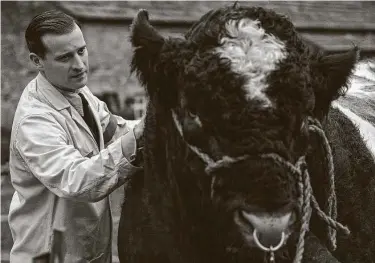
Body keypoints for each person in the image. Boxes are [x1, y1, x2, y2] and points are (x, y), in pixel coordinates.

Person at [8, 10, 144, 262]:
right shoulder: (35, 120)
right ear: (37, 61)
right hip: (51, 254)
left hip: (87, 249)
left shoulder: (77, 91)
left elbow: (115, 129)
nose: (80, 65)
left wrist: (162, 124)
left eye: (81, 51)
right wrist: (141, 138)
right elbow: (77, 180)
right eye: (65, 57)